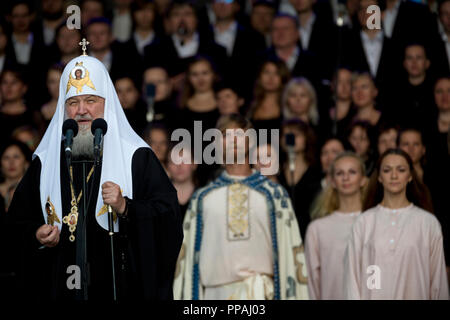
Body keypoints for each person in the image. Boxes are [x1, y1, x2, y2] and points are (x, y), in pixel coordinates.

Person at [6, 54, 183, 300]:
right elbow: (16, 223)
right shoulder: (45, 160)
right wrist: (36, 233)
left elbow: (168, 217)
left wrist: (125, 207)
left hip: (116, 284)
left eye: (91, 100)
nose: (81, 111)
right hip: (59, 283)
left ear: (106, 102)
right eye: (73, 102)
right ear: (63, 107)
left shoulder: (136, 156)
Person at [173, 113, 309, 300]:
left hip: (262, 293)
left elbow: (291, 255)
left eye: (239, 135)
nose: (233, 141)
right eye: (226, 135)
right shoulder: (202, 199)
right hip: (214, 295)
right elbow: (187, 263)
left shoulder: (275, 195)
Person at [344, 149, 449, 299]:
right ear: (379, 177)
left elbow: (438, 281)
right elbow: (352, 281)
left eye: (401, 170)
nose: (394, 176)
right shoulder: (364, 222)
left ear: (410, 176)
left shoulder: (428, 223)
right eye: (387, 170)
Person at [306, 152, 367, 299]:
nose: (346, 178)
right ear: (332, 181)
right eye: (340, 173)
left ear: (363, 179)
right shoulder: (317, 228)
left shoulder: (374, 222)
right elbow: (311, 280)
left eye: (352, 172)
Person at [278, 119, 321, 239]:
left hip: (308, 234)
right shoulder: (276, 172)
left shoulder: (316, 172)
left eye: (295, 135)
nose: (290, 139)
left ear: (306, 139)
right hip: (281, 234)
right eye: (286, 135)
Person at [248, 60, 290, 133]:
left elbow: (293, 138)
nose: (271, 78)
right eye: (266, 72)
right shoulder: (250, 105)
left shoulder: (289, 105)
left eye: (276, 73)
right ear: (260, 76)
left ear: (283, 77)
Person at [167, 146, 198, 221]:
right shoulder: (159, 197)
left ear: (194, 164)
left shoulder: (204, 196)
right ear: (167, 166)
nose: (179, 166)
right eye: (174, 161)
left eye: (184, 161)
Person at [0, 140, 31, 212]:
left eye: (16, 157)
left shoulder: (35, 191)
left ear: (26, 163)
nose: (11, 162)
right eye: (6, 157)